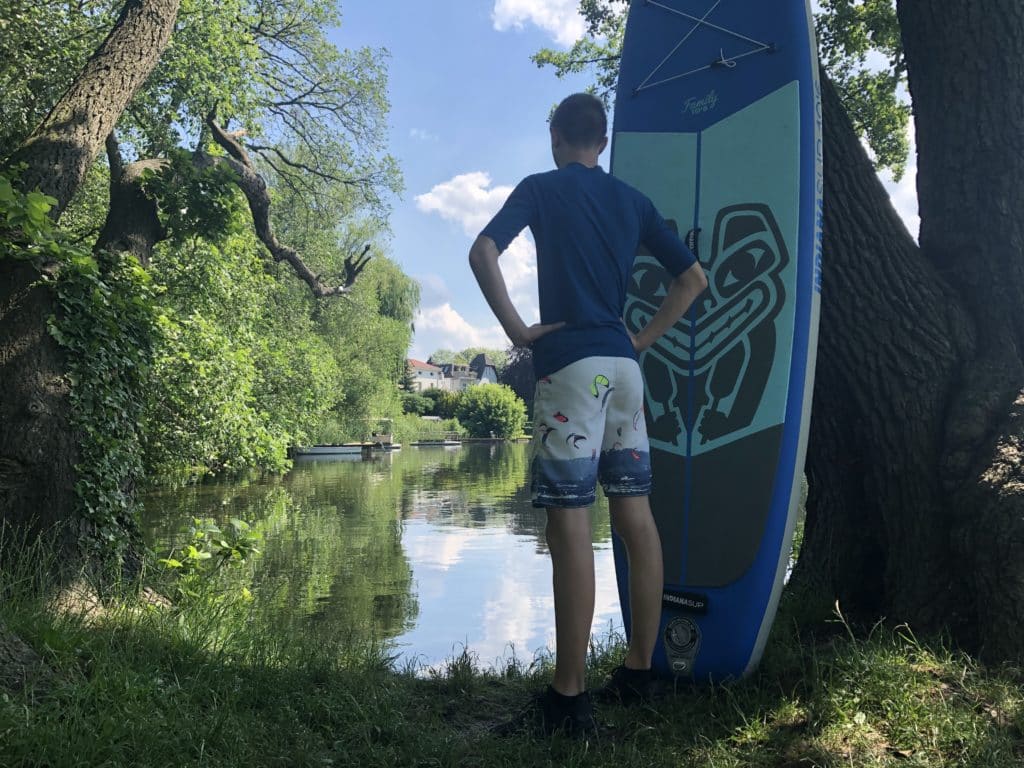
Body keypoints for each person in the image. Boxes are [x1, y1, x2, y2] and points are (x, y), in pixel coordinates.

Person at [469, 93, 708, 737]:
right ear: (601, 142)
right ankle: (640, 671)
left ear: (556, 137)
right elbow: (694, 280)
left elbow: (482, 251)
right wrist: (642, 339)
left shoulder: (542, 188)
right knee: (636, 519)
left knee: (569, 527)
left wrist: (520, 330)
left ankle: (569, 703)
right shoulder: (631, 201)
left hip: (571, 369)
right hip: (627, 374)